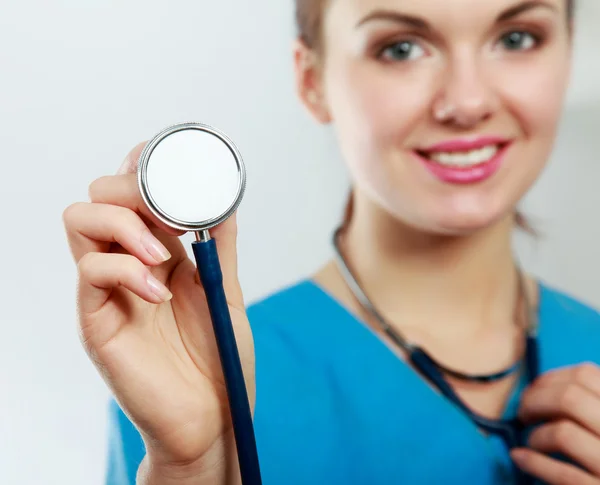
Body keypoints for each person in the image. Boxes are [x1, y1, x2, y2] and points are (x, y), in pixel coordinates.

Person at [62, 0, 600, 483]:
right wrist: (194, 469)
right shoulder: (184, 380)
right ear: (311, 81)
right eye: (402, 47)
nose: (467, 101)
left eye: (516, 38)